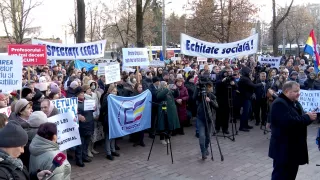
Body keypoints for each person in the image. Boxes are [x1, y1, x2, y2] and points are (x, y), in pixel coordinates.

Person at [269, 81, 317, 180]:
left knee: (290, 175)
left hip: (291, 150)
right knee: (281, 176)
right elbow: (289, 122)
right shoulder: (280, 103)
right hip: (283, 150)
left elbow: (299, 121)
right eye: (295, 91)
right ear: (286, 91)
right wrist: (307, 117)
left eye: (298, 91)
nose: (298, 93)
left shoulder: (293, 102)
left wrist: (310, 117)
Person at [194, 81, 218, 160]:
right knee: (201, 136)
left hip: (209, 118)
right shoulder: (200, 96)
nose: (211, 88)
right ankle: (203, 152)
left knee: (208, 136)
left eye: (211, 87)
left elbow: (217, 106)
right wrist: (197, 88)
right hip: (201, 118)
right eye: (209, 87)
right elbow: (194, 97)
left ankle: (206, 147)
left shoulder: (212, 96)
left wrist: (210, 101)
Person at [75, 87, 94, 167]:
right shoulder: (75, 103)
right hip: (81, 126)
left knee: (86, 142)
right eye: (80, 93)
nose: (82, 94)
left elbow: (91, 110)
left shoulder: (87, 101)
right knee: (80, 144)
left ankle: (84, 156)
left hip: (89, 124)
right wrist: (78, 116)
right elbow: (72, 114)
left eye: (83, 93)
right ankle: (79, 159)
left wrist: (94, 108)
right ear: (77, 95)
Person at [101, 84, 120, 160]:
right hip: (108, 118)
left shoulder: (117, 98)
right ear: (110, 91)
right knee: (108, 136)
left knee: (113, 135)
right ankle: (108, 153)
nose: (115, 93)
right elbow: (103, 108)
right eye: (114, 91)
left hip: (115, 118)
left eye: (116, 91)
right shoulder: (107, 97)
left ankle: (113, 150)